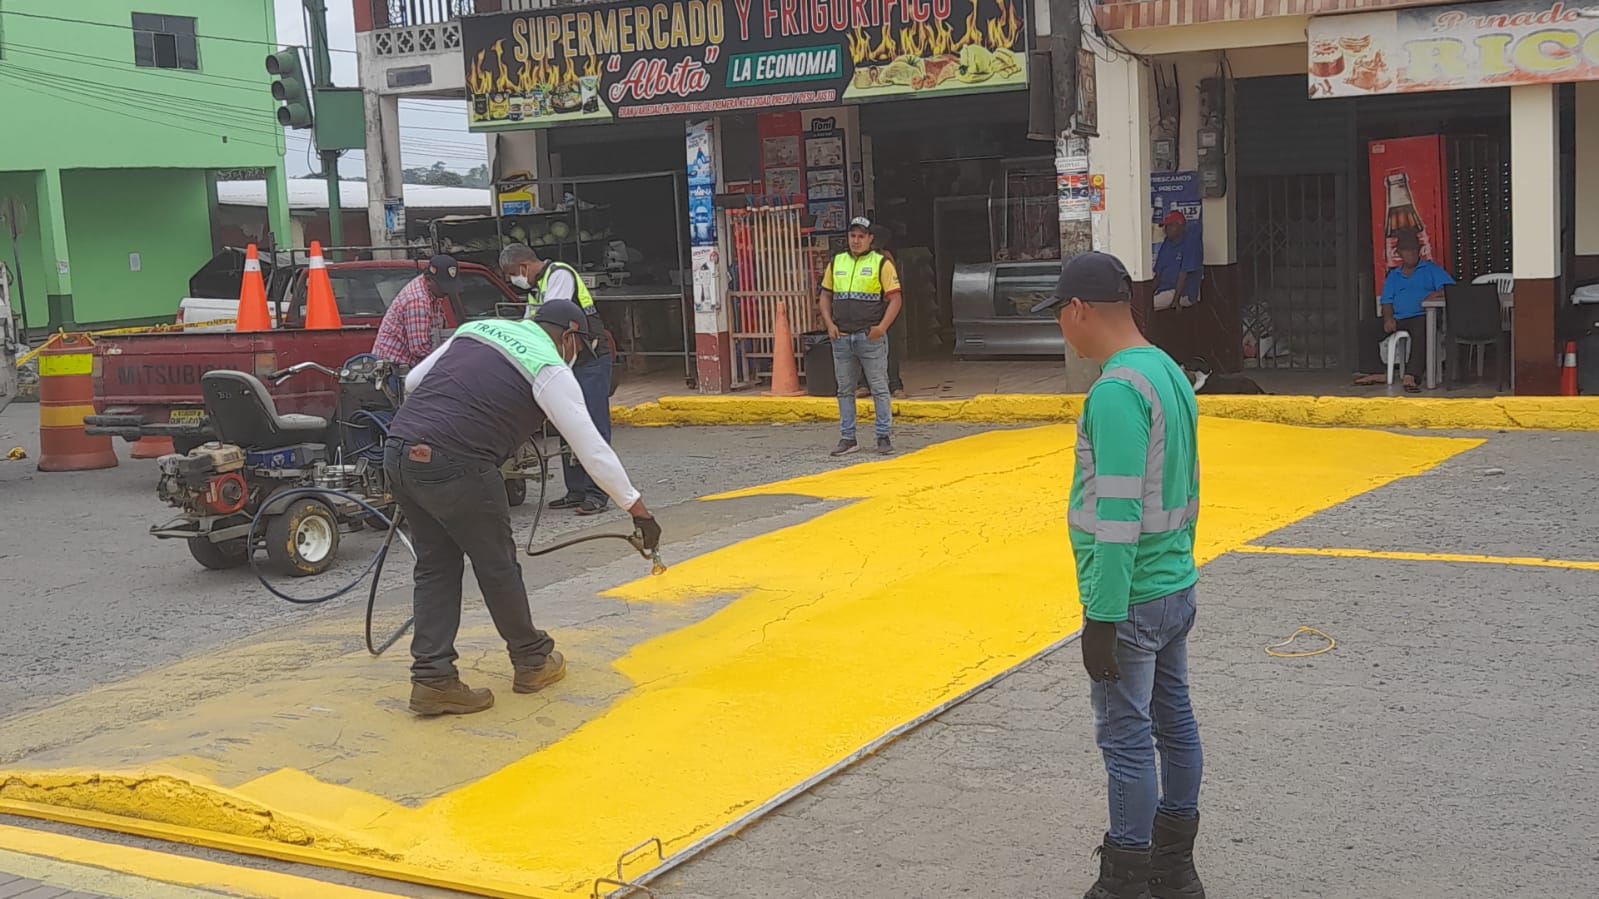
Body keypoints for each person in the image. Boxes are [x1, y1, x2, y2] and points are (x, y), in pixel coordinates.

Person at [383, 299, 661, 717]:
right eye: (579, 349)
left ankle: (433, 679)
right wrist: (638, 511)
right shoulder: (550, 366)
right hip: (459, 463)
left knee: (435, 567)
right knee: (496, 566)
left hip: (400, 450)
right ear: (569, 337)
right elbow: (591, 448)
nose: (576, 357)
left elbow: (414, 381)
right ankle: (532, 661)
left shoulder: (478, 327)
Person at [1033, 252, 1205, 899]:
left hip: (1129, 598)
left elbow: (1117, 514)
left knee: (1126, 738)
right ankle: (1174, 869)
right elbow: (1181, 487)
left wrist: (1102, 616)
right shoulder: (1167, 372)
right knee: (1174, 722)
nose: (1061, 329)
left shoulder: (1115, 391)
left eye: (1058, 314)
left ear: (1078, 309)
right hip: (1173, 584)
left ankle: (1125, 878)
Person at [500, 243, 615, 514]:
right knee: (566, 422)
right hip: (565, 360)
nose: (513, 280)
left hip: (589, 358)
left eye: (512, 274)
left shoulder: (559, 275)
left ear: (524, 266)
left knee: (592, 426)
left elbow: (552, 317)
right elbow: (530, 322)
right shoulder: (535, 289)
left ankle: (597, 493)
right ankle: (576, 490)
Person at [819, 217, 902, 456]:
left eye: (861, 236)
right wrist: (829, 324)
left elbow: (896, 299)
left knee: (879, 387)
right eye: (852, 236)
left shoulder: (881, 263)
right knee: (845, 390)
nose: (856, 241)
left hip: (870, 337)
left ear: (870, 239)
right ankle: (848, 438)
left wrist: (882, 328)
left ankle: (883, 436)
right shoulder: (837, 262)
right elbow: (825, 295)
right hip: (842, 337)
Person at [1364, 230, 1454, 392]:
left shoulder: (1430, 269)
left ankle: (1412, 375)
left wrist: (1437, 293)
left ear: (1419, 251)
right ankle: (1375, 371)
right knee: (1366, 327)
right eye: (1406, 250)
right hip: (1399, 318)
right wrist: (1388, 318)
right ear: (1399, 253)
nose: (1411, 253)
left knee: (1422, 328)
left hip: (1423, 316)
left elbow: (1451, 288)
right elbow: (1386, 300)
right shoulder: (1394, 275)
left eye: (1414, 249)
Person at [373, 255, 458, 368]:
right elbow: (420, 349)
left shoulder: (431, 292)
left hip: (407, 365)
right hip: (394, 367)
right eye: (443, 286)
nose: (446, 291)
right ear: (429, 279)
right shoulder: (417, 301)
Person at [1152, 210, 1201, 313]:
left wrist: (1176, 300)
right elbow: (1158, 273)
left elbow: (1184, 274)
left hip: (1184, 293)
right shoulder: (1167, 243)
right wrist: (1148, 293)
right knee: (1141, 303)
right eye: (1166, 226)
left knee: (1148, 305)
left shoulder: (1191, 242)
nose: (1167, 229)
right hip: (1164, 290)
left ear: (1181, 225)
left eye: (1170, 225)